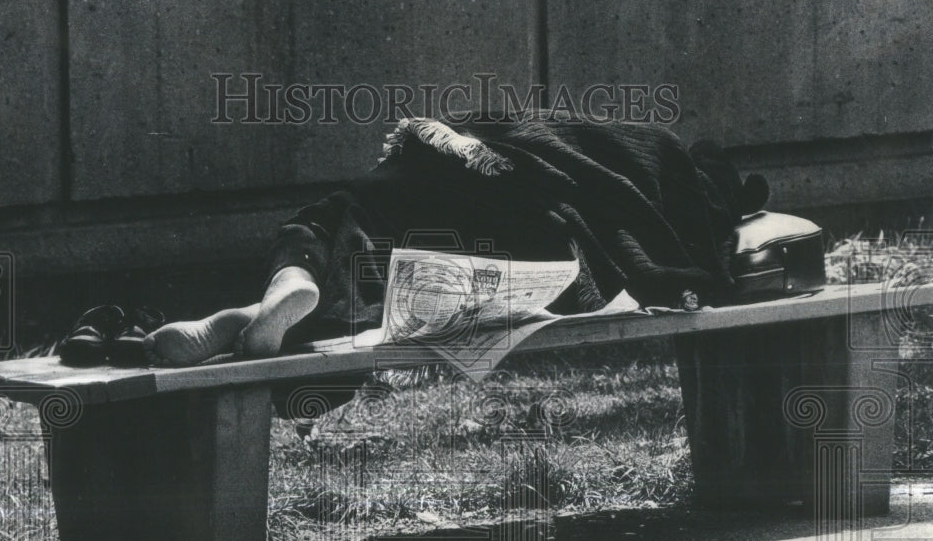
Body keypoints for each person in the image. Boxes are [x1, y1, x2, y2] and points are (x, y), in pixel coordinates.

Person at [144, 114, 768, 372]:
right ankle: (276, 308)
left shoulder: (620, 134)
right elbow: (662, 247)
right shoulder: (663, 165)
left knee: (342, 220)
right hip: (530, 218)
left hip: (439, 160)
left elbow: (534, 135)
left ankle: (283, 287)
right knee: (393, 294)